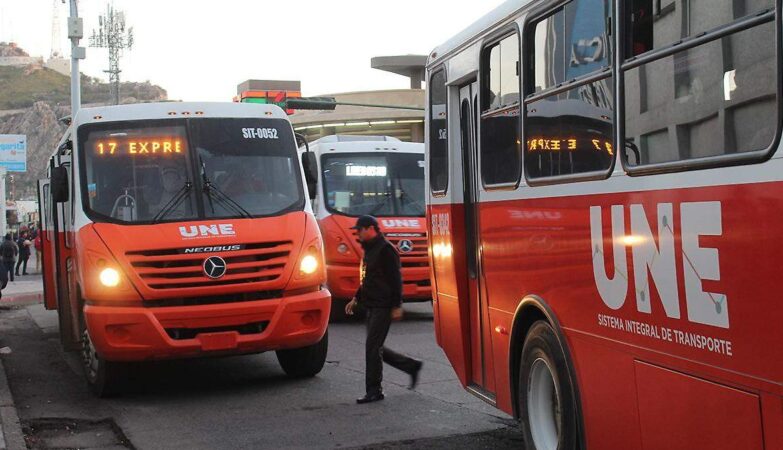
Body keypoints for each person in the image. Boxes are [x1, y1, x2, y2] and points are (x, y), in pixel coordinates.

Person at [345, 215, 423, 404]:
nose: (357, 233)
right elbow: (367, 277)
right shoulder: (370, 249)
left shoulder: (386, 249)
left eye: (359, 230)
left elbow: (395, 280)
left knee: (372, 347)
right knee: (375, 347)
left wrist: (397, 305)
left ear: (370, 228)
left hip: (383, 305)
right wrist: (356, 298)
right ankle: (411, 366)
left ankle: (374, 390)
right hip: (371, 304)